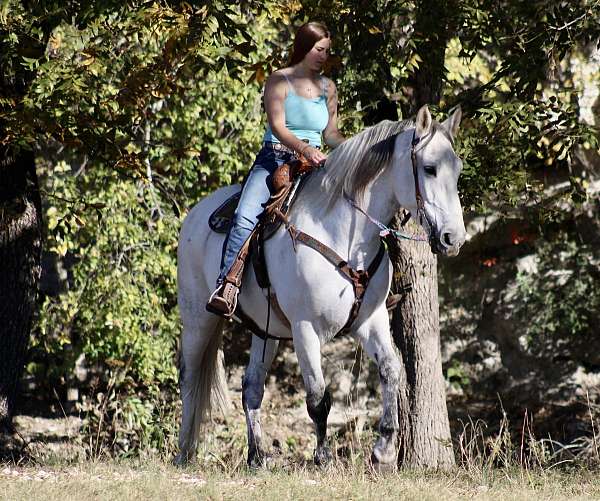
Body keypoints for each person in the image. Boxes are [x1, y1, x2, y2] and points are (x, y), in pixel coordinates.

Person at [206, 21, 346, 317]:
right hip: (275, 160)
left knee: (351, 203)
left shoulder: (328, 88)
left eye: (326, 51)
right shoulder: (279, 81)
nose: (323, 56)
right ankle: (227, 283)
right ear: (304, 47)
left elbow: (331, 134)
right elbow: (278, 126)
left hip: (315, 165)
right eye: (319, 50)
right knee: (245, 214)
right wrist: (305, 148)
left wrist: (353, 148)